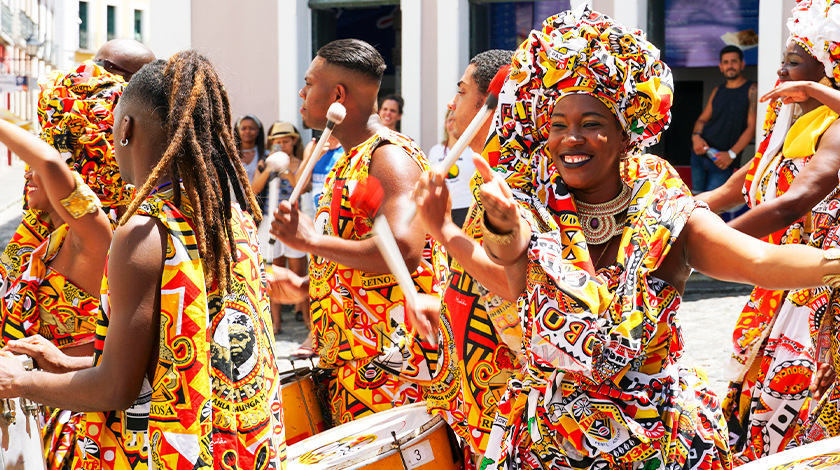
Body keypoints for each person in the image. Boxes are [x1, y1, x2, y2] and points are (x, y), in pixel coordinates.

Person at [409, 6, 840, 469]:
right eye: (558, 125)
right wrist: (478, 228)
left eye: (591, 124)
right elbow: (514, 269)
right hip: (547, 445)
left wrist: (831, 264)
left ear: (624, 133)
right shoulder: (536, 206)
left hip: (658, 444)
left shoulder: (666, 211)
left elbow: (760, 262)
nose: (570, 138)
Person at [0, 51, 285, 469]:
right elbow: (180, 351)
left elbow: (115, 388)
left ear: (125, 128)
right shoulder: (228, 216)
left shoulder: (145, 231)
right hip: (240, 448)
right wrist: (68, 361)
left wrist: (19, 381)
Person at [270, 39, 445, 425]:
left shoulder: (389, 156)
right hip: (357, 370)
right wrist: (305, 286)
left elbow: (404, 250)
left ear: (337, 95)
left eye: (309, 82)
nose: (301, 92)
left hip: (395, 372)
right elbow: (358, 264)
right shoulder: (343, 161)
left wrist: (310, 242)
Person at [694, 0, 840, 462]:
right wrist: (689, 206)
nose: (781, 71)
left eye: (794, 62)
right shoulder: (791, 124)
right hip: (779, 280)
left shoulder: (835, 128)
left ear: (828, 68)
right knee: (757, 384)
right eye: (783, 61)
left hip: (819, 284)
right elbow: (747, 180)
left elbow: (793, 203)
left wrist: (713, 241)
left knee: (791, 390)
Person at [0, 62, 127, 470]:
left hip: (73, 426)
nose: (31, 172)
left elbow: (55, 168)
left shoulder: (96, 238)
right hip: (27, 408)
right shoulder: (34, 236)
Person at [411, 49, 517, 461]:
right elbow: (483, 282)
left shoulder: (512, 182)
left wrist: (445, 231)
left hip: (509, 404)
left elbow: (518, 287)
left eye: (462, 91)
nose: (452, 104)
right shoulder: (486, 177)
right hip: (479, 400)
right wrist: (443, 304)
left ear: (493, 103)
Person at [690, 45, 757, 193]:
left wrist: (731, 154)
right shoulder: (717, 91)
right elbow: (702, 120)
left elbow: (752, 128)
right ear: (721, 67)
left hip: (724, 160)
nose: (730, 66)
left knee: (713, 206)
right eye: (726, 62)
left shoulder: (752, 89)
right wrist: (696, 137)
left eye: (734, 61)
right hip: (700, 155)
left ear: (742, 64)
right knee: (695, 201)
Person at [262, 121, 307, 333]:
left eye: (285, 141)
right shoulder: (267, 162)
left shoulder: (299, 162)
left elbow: (299, 184)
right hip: (272, 220)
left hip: (294, 221)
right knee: (274, 270)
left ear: (294, 140)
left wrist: (286, 167)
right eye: (277, 141)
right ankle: (275, 323)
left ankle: (308, 320)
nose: (281, 144)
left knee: (299, 270)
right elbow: (254, 187)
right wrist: (270, 168)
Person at [234, 115, 267, 184]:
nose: (248, 131)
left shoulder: (266, 155)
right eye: (243, 128)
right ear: (238, 130)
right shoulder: (230, 155)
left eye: (252, 128)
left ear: (258, 130)